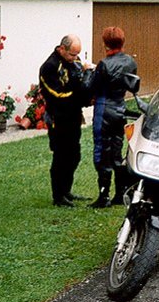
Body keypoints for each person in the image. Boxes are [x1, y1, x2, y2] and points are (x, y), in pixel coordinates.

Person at [85, 26, 138, 208]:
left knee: (101, 152)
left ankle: (103, 196)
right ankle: (120, 193)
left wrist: (88, 71)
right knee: (116, 151)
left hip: (104, 108)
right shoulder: (130, 62)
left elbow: (90, 87)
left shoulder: (104, 64)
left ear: (105, 43)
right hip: (120, 108)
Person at [39, 34, 93, 207]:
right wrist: (81, 89)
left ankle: (66, 191)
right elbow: (59, 95)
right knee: (61, 156)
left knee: (74, 155)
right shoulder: (49, 67)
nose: (75, 58)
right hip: (58, 118)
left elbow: (80, 87)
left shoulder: (74, 62)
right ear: (62, 48)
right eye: (72, 54)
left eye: (77, 54)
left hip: (73, 116)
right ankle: (58, 196)